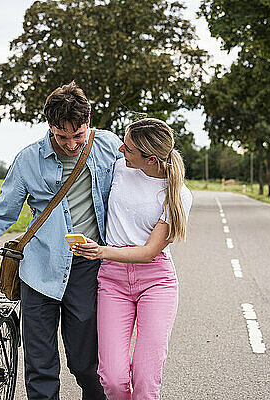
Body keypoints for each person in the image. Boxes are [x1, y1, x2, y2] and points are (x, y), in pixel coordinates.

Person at [0, 81, 122, 400]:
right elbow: (0, 213)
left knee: (86, 366)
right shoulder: (28, 160)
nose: (72, 145)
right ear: (49, 126)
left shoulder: (107, 145)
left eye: (78, 135)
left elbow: (137, 185)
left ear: (88, 123)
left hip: (88, 272)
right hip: (39, 273)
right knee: (40, 368)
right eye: (63, 136)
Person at [73, 118, 192, 400]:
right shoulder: (118, 168)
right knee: (112, 378)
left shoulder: (178, 195)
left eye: (128, 148)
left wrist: (101, 251)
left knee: (145, 379)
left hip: (156, 282)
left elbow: (148, 252)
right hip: (113, 282)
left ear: (150, 159)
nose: (120, 149)